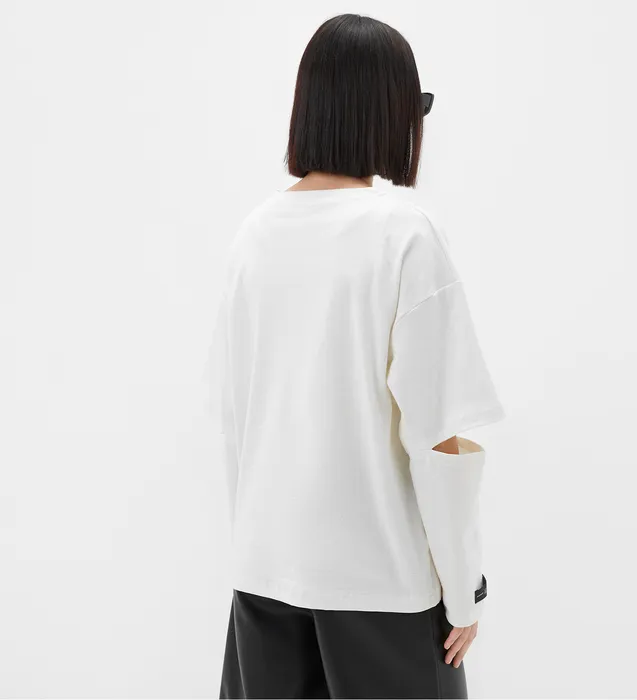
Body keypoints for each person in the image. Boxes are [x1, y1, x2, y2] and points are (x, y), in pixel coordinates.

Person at [203, 12, 506, 700]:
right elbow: (437, 438)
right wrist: (464, 592)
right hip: (381, 591)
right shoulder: (404, 234)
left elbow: (235, 420)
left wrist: (257, 550)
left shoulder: (253, 236)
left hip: (263, 579)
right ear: (390, 113)